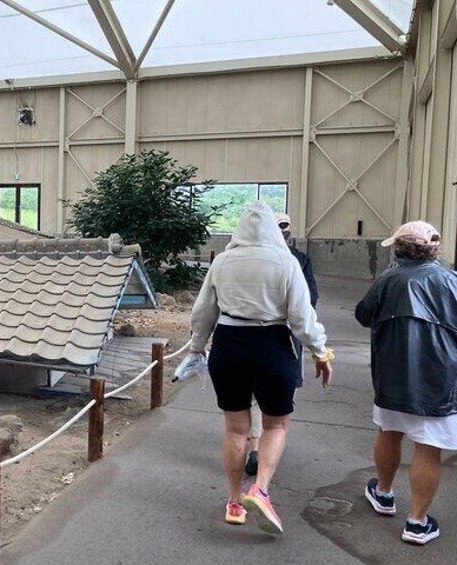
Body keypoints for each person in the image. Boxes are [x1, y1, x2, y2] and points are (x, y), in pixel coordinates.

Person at [190, 201, 333, 534]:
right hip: (272, 344)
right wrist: (320, 352)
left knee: (235, 428)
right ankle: (261, 489)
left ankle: (234, 501)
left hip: (229, 344)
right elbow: (301, 316)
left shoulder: (223, 261)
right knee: (276, 425)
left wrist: (197, 347)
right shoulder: (286, 261)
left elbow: (203, 312)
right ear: (275, 228)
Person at [355, 221, 457, 546]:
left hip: (392, 373)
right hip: (439, 379)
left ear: (399, 248)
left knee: (389, 432)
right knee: (428, 449)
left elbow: (363, 314)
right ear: (434, 248)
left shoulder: (388, 278)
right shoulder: (450, 280)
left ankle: (384, 494)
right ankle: (417, 522)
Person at [245, 213, 319, 476]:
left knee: (253, 398)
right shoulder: (297, 260)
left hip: (245, 336)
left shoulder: (245, 258)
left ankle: (255, 449)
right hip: (285, 337)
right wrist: (317, 348)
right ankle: (268, 452)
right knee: (282, 397)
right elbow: (310, 301)